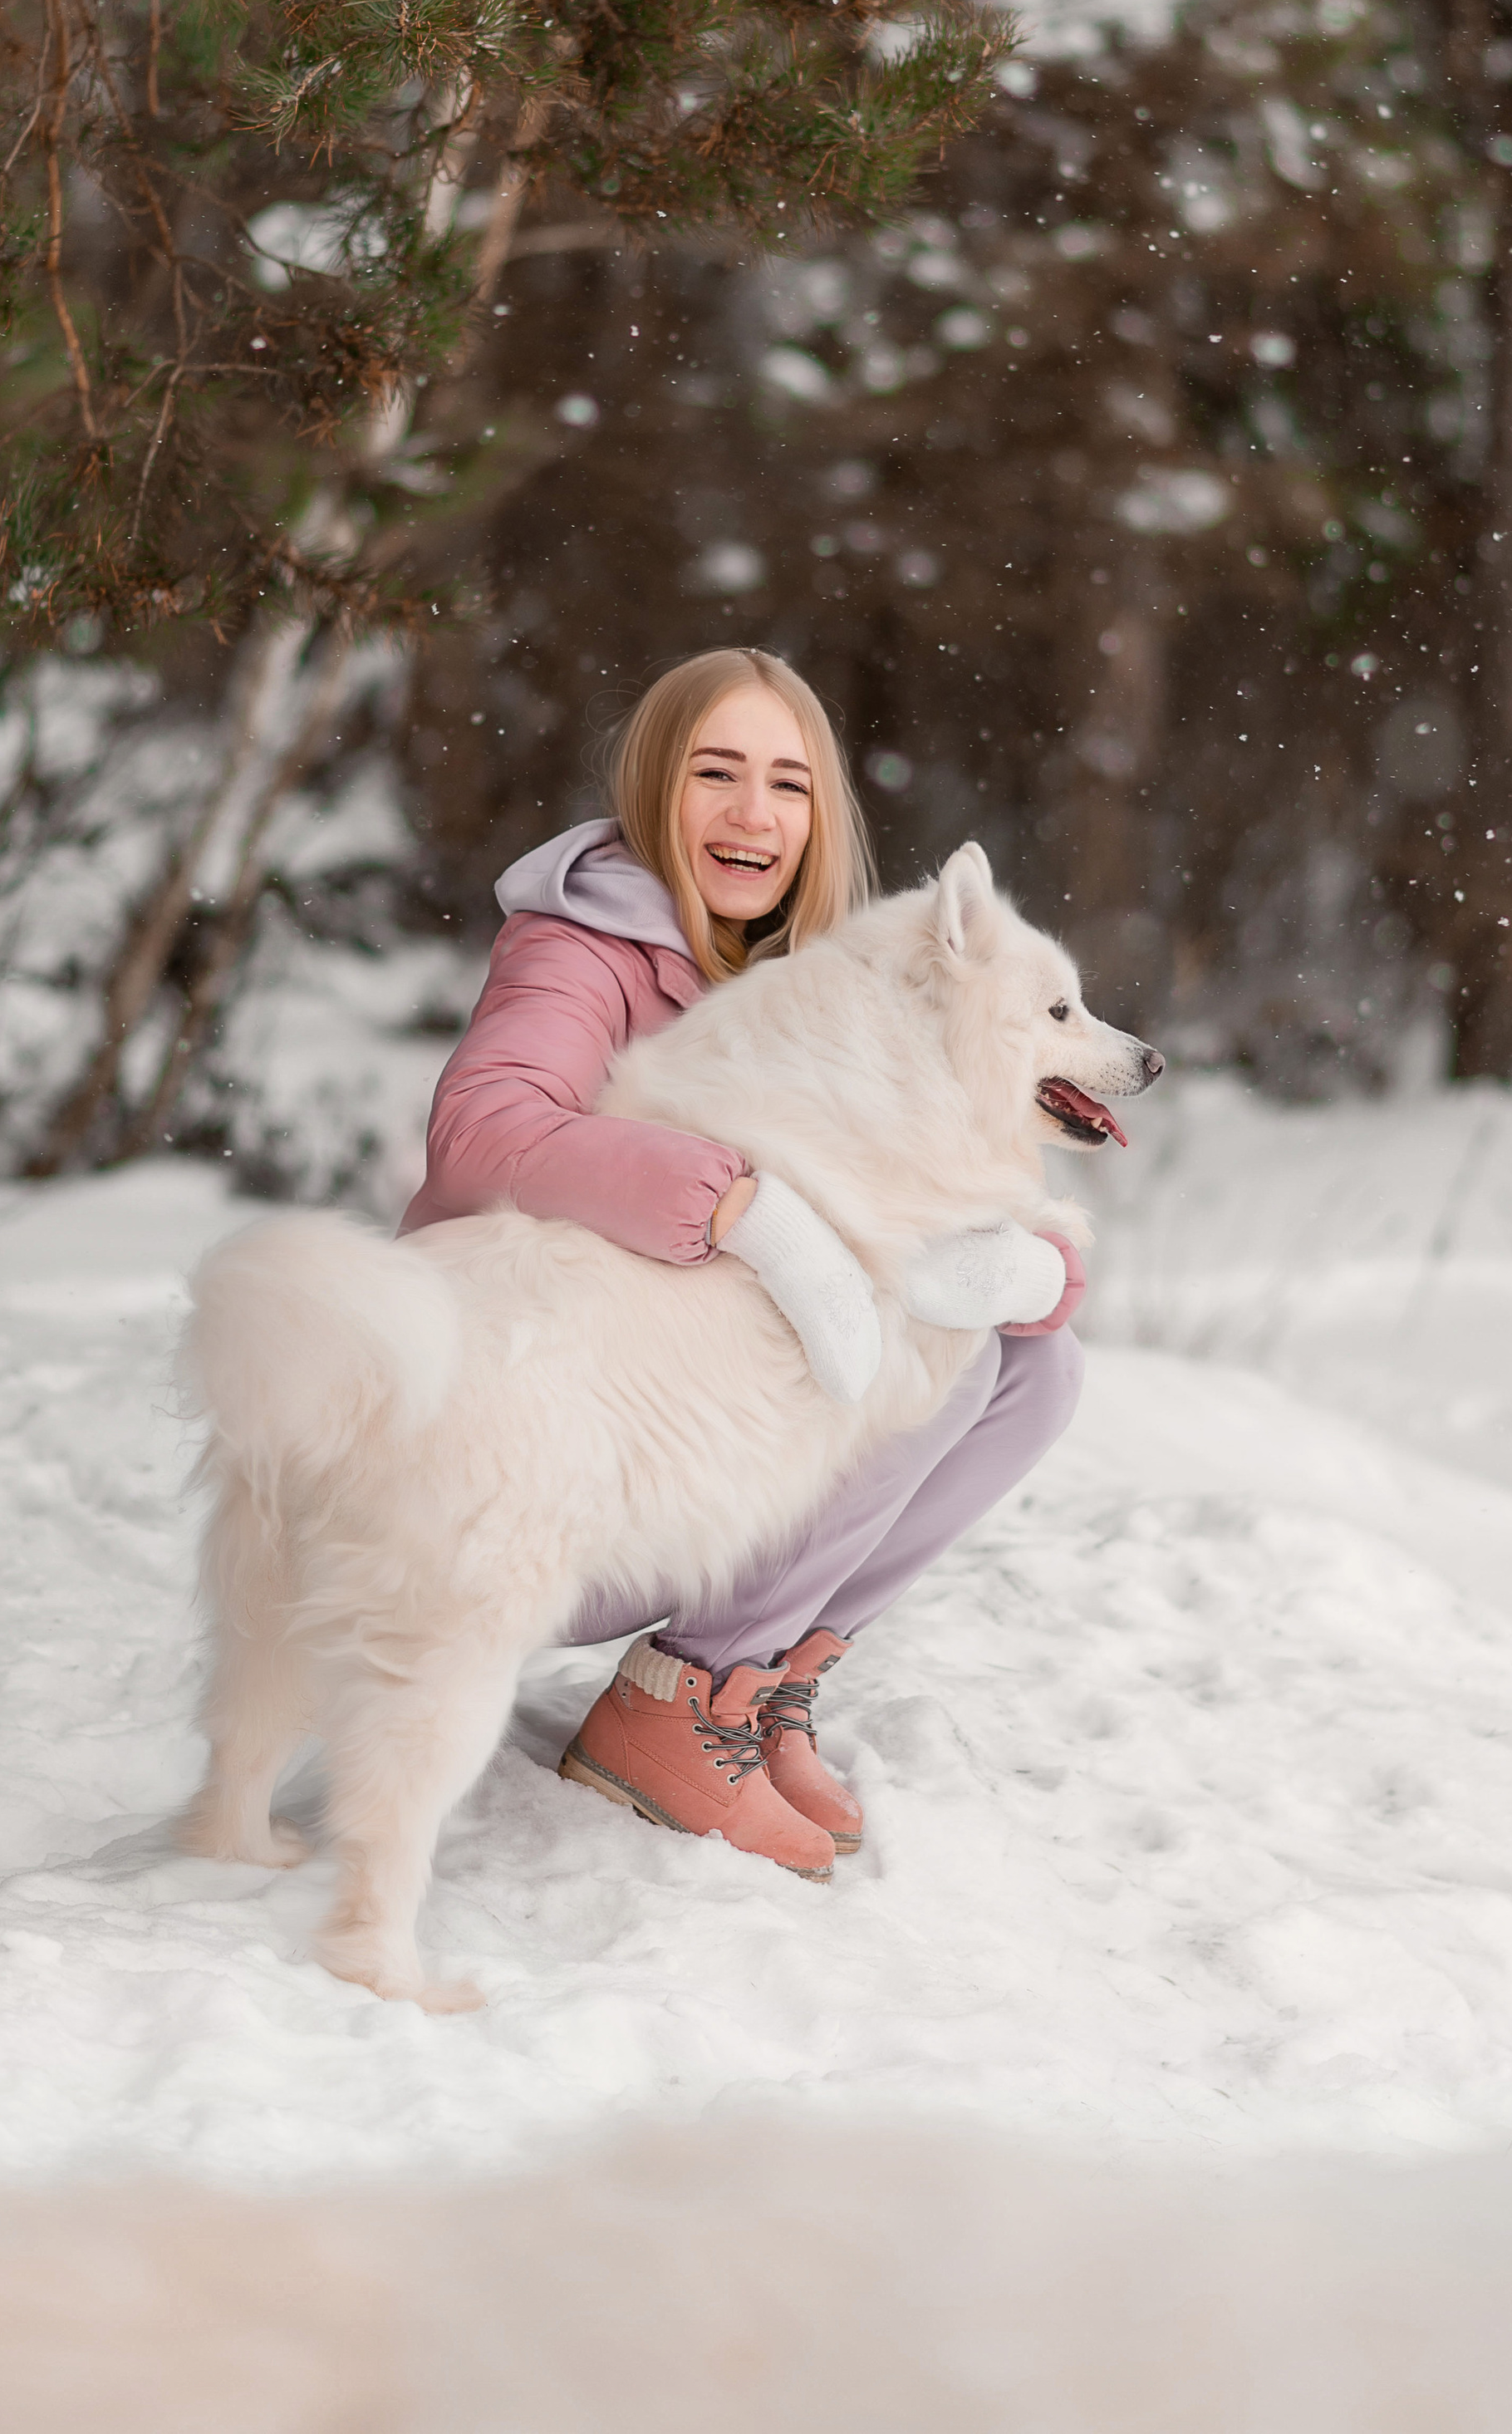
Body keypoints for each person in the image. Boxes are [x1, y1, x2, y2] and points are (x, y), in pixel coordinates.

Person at [400, 647, 1087, 1880]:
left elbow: (945, 1201)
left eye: (790, 783)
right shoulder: (584, 947)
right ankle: (683, 1698)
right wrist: (745, 1209)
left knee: (1033, 1369)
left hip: (680, 1446)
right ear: (656, 787)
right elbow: (481, 1135)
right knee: (915, 1356)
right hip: (528, 1479)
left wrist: (1031, 1273)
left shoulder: (828, 980)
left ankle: (760, 1678)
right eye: (715, 772)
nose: (753, 814)